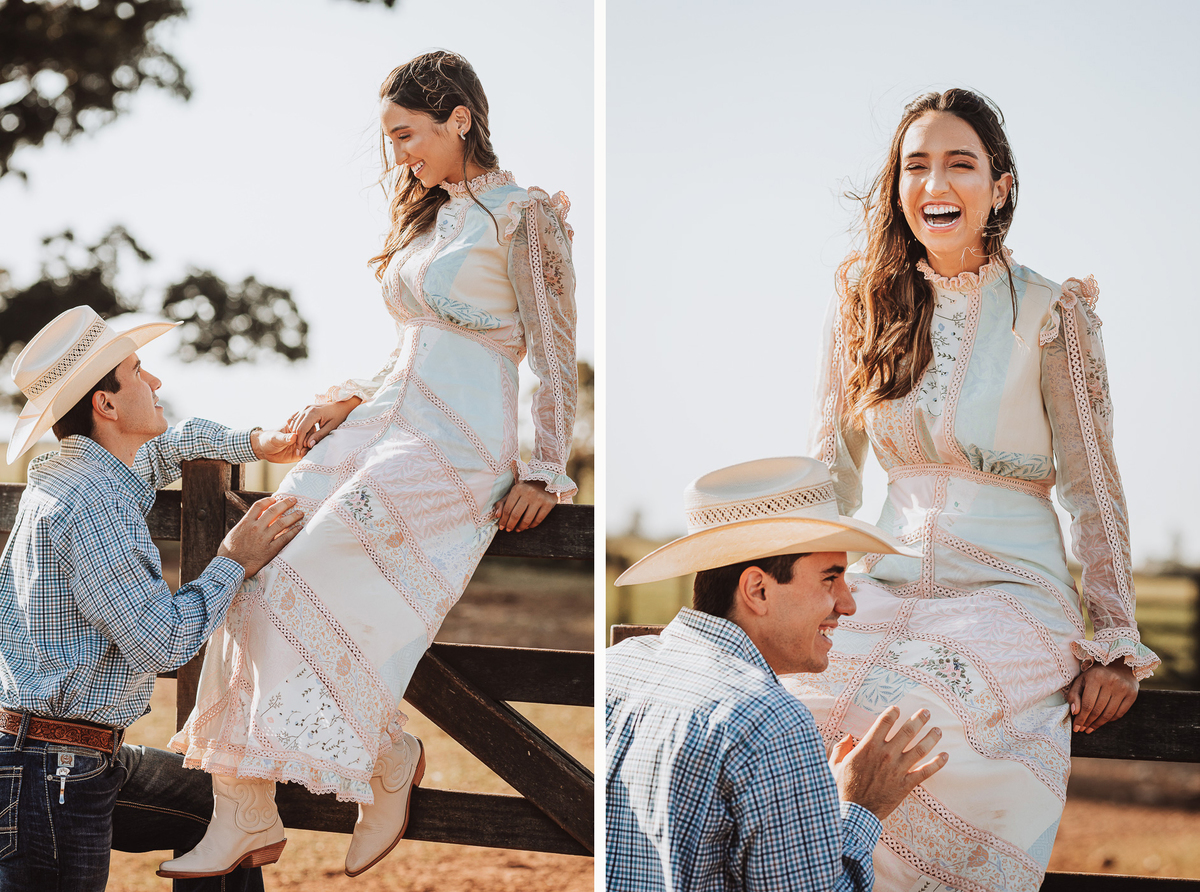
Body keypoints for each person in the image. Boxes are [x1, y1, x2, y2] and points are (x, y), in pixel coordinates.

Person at [163, 50, 578, 879]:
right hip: (386, 420)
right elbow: (404, 350)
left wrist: (546, 467)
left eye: (406, 134)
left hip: (459, 445)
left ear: (459, 117)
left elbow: (556, 352)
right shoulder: (433, 218)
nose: (398, 155)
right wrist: (345, 397)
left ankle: (384, 759)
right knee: (254, 559)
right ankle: (243, 810)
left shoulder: (525, 215)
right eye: (389, 138)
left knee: (305, 570)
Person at [783, 88, 1159, 892]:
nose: (936, 184)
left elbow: (1094, 486)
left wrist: (1117, 642)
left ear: (1002, 186)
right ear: (897, 187)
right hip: (882, 581)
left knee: (917, 712)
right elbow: (828, 475)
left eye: (961, 164)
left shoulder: (1053, 315)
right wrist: (798, 593)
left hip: (1011, 591)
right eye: (916, 166)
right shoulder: (863, 304)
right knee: (796, 710)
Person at [0, 305, 305, 891]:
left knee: (215, 805)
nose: (157, 381)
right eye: (139, 371)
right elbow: (162, 641)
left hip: (67, 754)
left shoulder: (84, 472)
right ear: (106, 404)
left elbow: (173, 446)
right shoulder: (89, 506)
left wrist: (257, 443)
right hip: (54, 769)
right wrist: (234, 561)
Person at [607, 456, 948, 892]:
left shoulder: (618, 665)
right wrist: (859, 808)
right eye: (830, 578)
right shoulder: (770, 720)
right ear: (758, 590)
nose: (848, 604)